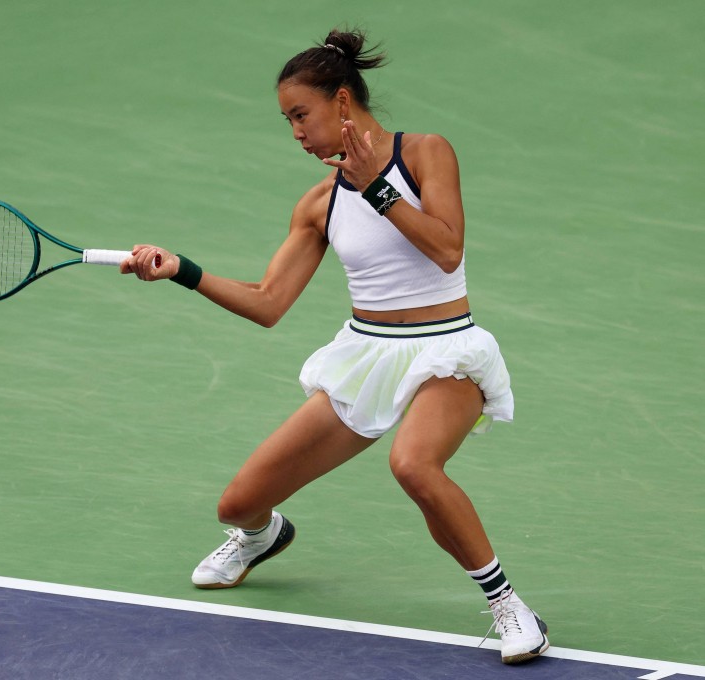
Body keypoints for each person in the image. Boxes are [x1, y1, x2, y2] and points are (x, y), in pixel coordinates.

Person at [121, 27, 549, 665]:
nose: (295, 131)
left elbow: (446, 247)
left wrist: (379, 186)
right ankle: (262, 538)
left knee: (413, 465)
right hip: (366, 354)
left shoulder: (427, 153)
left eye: (302, 114)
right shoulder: (320, 203)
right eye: (287, 120)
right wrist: (181, 269)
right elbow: (268, 302)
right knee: (237, 505)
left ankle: (510, 607)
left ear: (343, 102)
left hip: (444, 350)